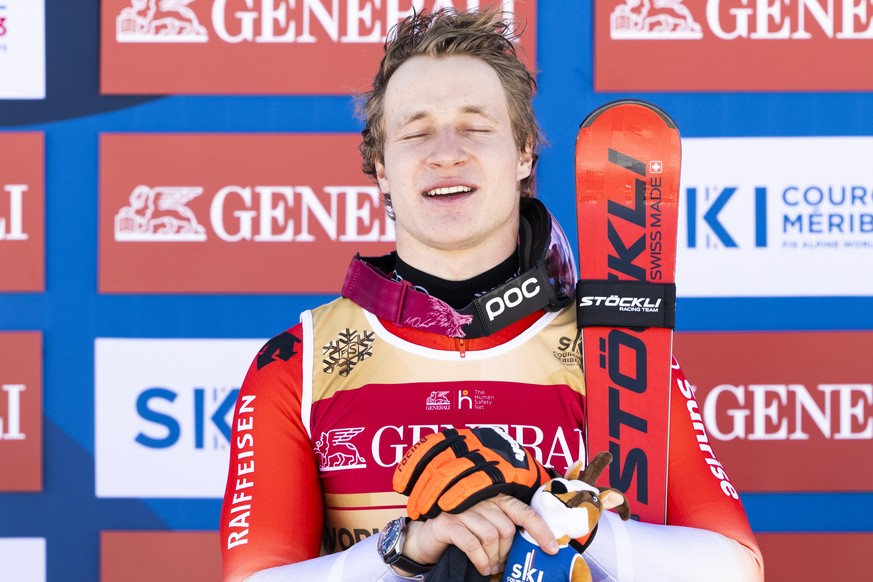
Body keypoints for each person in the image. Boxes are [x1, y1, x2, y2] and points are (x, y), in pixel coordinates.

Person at [219, 9, 764, 582]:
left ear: (525, 152)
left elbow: (734, 566)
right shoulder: (297, 364)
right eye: (415, 130)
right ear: (380, 167)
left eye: (476, 126)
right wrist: (403, 548)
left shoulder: (616, 348)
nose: (446, 151)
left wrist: (571, 518)